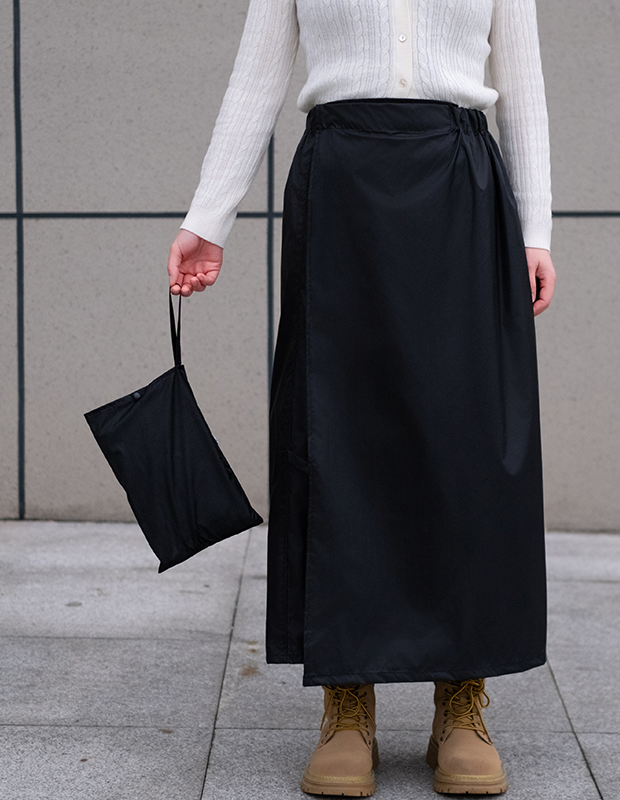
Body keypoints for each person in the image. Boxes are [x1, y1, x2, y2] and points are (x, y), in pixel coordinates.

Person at [167, 0, 556, 795]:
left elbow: (522, 84)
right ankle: (347, 700)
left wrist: (535, 230)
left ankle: (462, 694)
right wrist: (208, 219)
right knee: (337, 435)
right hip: (342, 183)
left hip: (459, 183)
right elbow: (258, 77)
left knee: (468, 443)